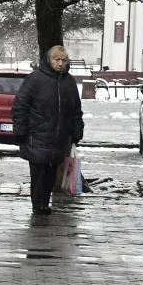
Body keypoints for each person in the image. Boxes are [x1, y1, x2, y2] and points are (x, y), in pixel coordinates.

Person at [10, 45, 84, 215]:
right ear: (49, 60)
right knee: (38, 170)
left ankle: (44, 202)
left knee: (51, 170)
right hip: (37, 134)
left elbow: (76, 110)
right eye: (56, 59)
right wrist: (20, 130)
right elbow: (20, 106)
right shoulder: (35, 79)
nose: (60, 63)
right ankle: (38, 204)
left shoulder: (69, 82)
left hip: (59, 137)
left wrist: (77, 130)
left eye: (63, 60)